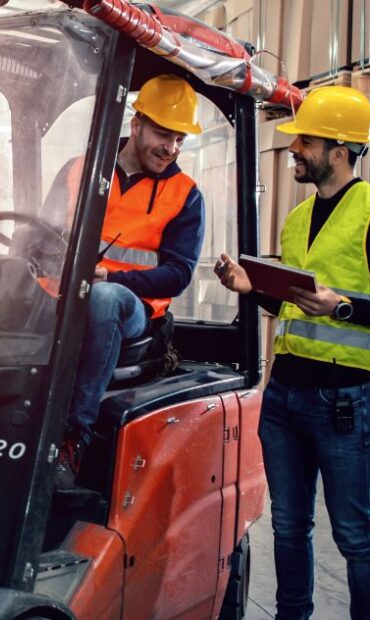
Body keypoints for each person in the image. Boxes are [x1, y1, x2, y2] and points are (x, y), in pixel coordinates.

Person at [214, 85, 370, 620]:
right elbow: (293, 308)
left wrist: (344, 307)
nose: (293, 148)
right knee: (287, 525)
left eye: (305, 140)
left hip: (344, 402)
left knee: (356, 538)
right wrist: (249, 287)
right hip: (284, 398)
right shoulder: (298, 218)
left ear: (340, 152)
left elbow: (332, 307)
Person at [53, 74, 206, 489]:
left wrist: (111, 275)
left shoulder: (185, 194)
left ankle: (74, 437)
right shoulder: (80, 170)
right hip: (63, 296)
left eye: (179, 139)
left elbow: (178, 274)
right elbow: (43, 235)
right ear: (136, 123)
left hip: (135, 312)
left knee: (104, 298)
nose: (171, 148)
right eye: (163, 134)